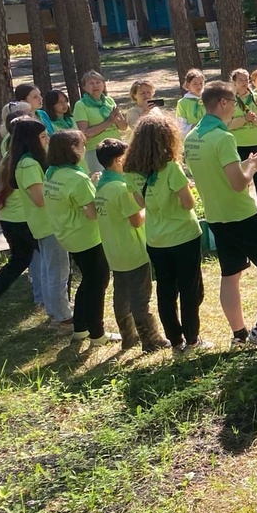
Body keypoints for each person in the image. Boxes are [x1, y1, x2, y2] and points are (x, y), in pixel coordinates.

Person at [184, 81, 257, 348]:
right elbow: (238, 184)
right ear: (223, 103)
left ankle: (239, 335)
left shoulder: (193, 137)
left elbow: (217, 173)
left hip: (216, 216)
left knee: (230, 274)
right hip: (241, 214)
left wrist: (245, 164)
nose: (235, 109)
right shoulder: (224, 137)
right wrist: (252, 166)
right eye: (234, 103)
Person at [125, 113, 206, 352]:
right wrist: (186, 189)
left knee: (166, 290)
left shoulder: (131, 171)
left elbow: (140, 202)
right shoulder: (171, 167)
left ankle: (175, 339)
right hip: (184, 235)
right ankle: (193, 338)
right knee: (191, 289)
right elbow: (188, 204)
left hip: (156, 239)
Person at [93, 139, 170, 352]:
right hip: (133, 251)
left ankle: (129, 337)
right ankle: (151, 339)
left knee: (122, 296)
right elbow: (136, 220)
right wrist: (149, 207)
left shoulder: (101, 186)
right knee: (140, 298)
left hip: (114, 252)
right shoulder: (120, 188)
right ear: (119, 160)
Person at [43, 130, 116, 346]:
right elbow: (92, 213)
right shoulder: (76, 177)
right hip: (87, 238)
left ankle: (81, 327)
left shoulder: (52, 173)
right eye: (82, 145)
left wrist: (88, 184)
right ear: (73, 149)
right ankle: (97, 334)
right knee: (98, 282)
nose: (84, 149)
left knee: (88, 280)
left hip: (68, 235)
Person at [0, 118, 43, 312]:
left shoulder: (8, 157)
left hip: (8, 219)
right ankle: (53, 305)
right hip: (23, 220)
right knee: (50, 259)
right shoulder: (27, 163)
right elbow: (39, 198)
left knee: (19, 261)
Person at [230, 69, 257, 209]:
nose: (244, 83)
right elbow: (227, 124)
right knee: (241, 177)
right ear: (234, 82)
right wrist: (244, 119)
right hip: (239, 144)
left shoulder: (256, 97)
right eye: (240, 80)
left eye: (246, 79)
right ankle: (244, 208)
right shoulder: (229, 99)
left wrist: (255, 120)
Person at [73, 71, 128, 173]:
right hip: (96, 151)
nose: (95, 86)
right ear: (84, 87)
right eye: (91, 83)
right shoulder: (81, 105)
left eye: (98, 82)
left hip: (116, 148)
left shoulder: (109, 101)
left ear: (104, 84)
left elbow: (123, 127)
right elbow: (84, 134)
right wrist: (108, 121)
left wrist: (116, 119)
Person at [175, 69, 206, 137]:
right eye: (195, 84)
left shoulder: (209, 99)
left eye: (201, 83)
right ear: (188, 85)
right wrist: (196, 126)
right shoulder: (182, 103)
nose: (199, 86)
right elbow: (181, 127)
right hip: (192, 139)